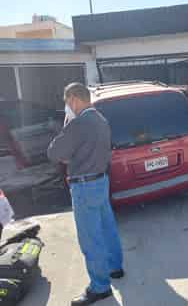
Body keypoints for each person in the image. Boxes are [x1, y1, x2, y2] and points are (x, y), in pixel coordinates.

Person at [47, 83, 124, 306]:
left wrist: (67, 135)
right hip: (101, 181)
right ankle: (115, 267)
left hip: (84, 185)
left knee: (90, 238)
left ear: (73, 99)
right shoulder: (101, 119)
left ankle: (100, 288)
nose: (67, 107)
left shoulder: (78, 124)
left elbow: (54, 153)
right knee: (107, 226)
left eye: (66, 102)